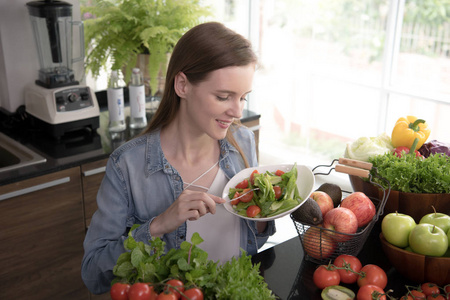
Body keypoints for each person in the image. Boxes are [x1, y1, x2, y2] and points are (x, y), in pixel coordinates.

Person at [81, 21, 276, 295]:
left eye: (243, 97)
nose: (237, 112)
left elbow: (252, 241)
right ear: (183, 85)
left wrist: (267, 210)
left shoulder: (242, 142)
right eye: (223, 97)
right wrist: (159, 224)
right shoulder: (127, 166)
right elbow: (92, 273)